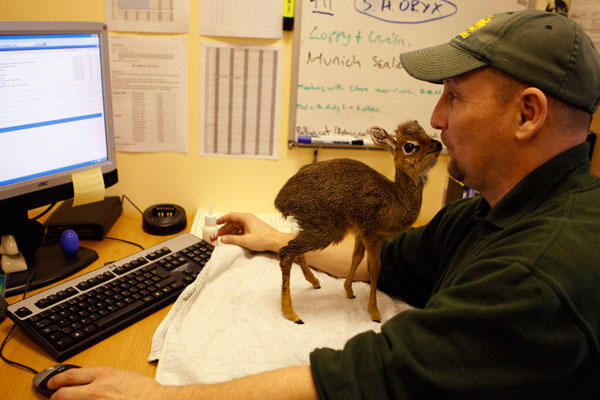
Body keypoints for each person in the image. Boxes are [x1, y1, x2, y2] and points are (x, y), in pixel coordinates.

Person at [47, 9, 600, 399]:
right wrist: (277, 240)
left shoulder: (538, 275)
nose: (437, 118)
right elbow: (399, 260)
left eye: (454, 96)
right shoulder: (494, 212)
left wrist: (161, 399)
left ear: (527, 114)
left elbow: (371, 376)